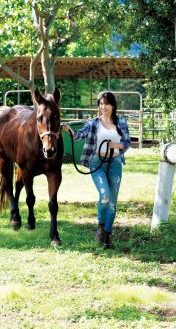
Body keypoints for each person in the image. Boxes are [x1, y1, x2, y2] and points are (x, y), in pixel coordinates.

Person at [62, 92, 131, 248]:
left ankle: (107, 235)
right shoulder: (93, 122)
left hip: (115, 163)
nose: (103, 106)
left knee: (113, 202)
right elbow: (80, 135)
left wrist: (117, 146)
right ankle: (100, 226)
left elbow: (127, 142)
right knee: (105, 195)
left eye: (106, 103)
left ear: (113, 105)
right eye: (100, 103)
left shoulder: (121, 122)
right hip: (97, 162)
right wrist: (69, 130)